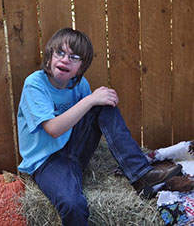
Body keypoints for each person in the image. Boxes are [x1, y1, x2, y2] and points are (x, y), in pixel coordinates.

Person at [16, 27, 182, 225]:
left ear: (81, 66)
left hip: (75, 150)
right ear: (50, 54)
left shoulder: (80, 84)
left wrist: (96, 99)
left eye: (74, 57)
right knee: (72, 204)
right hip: (47, 162)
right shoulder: (35, 84)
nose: (65, 59)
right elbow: (53, 129)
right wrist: (90, 100)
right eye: (60, 52)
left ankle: (140, 174)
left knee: (103, 104)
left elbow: (92, 115)